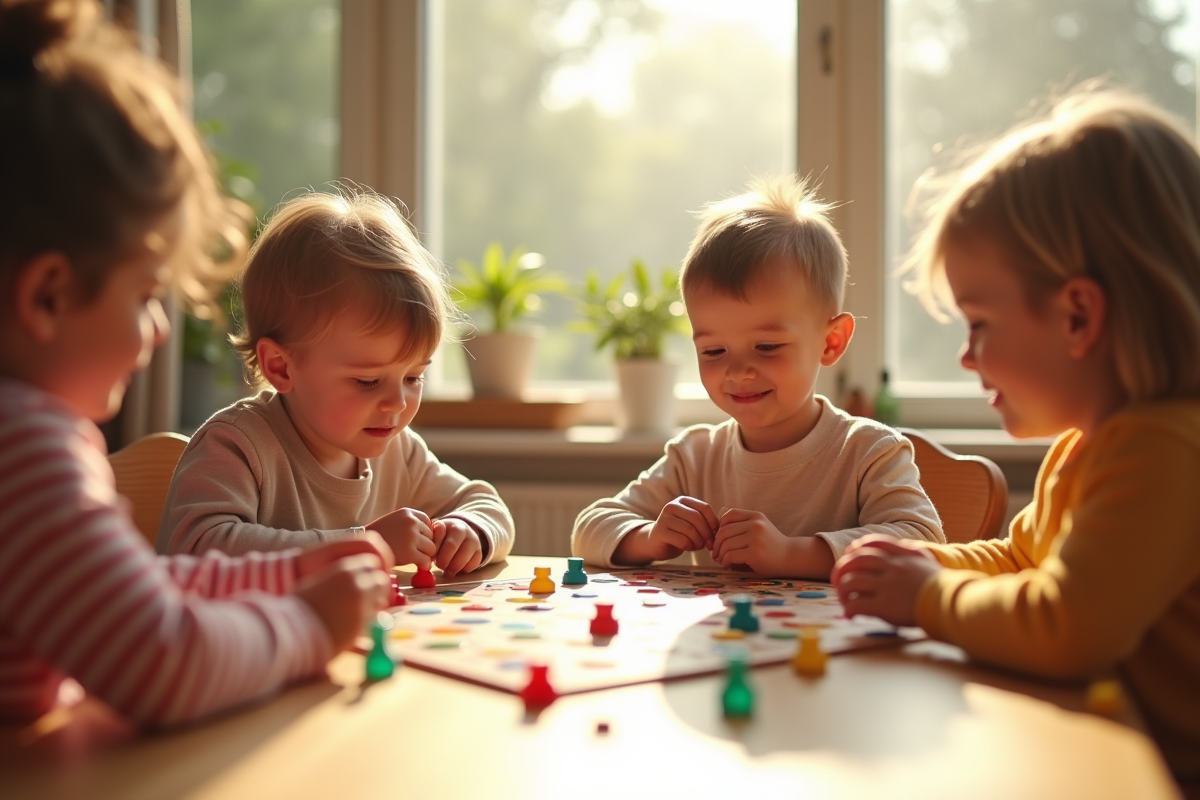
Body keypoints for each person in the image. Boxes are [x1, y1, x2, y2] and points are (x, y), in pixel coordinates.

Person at [0, 0, 392, 725]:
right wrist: (310, 626)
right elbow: (162, 660)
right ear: (48, 295)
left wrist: (289, 571)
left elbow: (133, 587)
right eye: (146, 295)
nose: (155, 335)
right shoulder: (23, 447)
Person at [831, 89, 1200, 784]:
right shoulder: (1089, 445)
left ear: (1077, 317)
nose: (966, 357)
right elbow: (1025, 558)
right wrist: (919, 561)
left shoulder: (1164, 449)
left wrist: (924, 595)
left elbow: (1069, 626)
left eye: (979, 325)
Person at [572, 175, 944, 578]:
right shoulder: (694, 458)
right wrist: (649, 537)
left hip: (834, 642)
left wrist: (790, 554)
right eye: (713, 351)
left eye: (767, 347)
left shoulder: (868, 452)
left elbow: (923, 540)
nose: (738, 371)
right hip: (724, 641)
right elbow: (588, 530)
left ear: (831, 342)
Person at [157, 190, 514, 578]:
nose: (397, 402)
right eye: (368, 381)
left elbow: (484, 503)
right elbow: (196, 550)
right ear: (281, 368)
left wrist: (470, 531)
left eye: (414, 377)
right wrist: (362, 545)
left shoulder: (399, 451)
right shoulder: (237, 446)